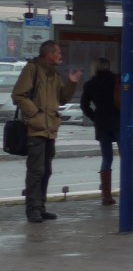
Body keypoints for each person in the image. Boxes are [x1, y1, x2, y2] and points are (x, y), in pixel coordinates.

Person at [12, 40, 82, 223]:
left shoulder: (54, 74)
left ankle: (41, 207)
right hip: (36, 129)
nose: (61, 56)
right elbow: (18, 94)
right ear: (49, 54)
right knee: (36, 171)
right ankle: (33, 209)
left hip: (50, 129)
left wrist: (72, 83)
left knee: (46, 171)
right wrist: (34, 113)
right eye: (58, 53)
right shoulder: (32, 69)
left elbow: (63, 98)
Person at [79, 57, 133, 207]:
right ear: (108, 66)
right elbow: (127, 98)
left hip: (102, 123)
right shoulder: (117, 80)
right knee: (126, 158)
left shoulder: (90, 84)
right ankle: (129, 195)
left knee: (107, 159)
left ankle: (106, 196)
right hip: (119, 121)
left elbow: (84, 106)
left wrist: (95, 117)